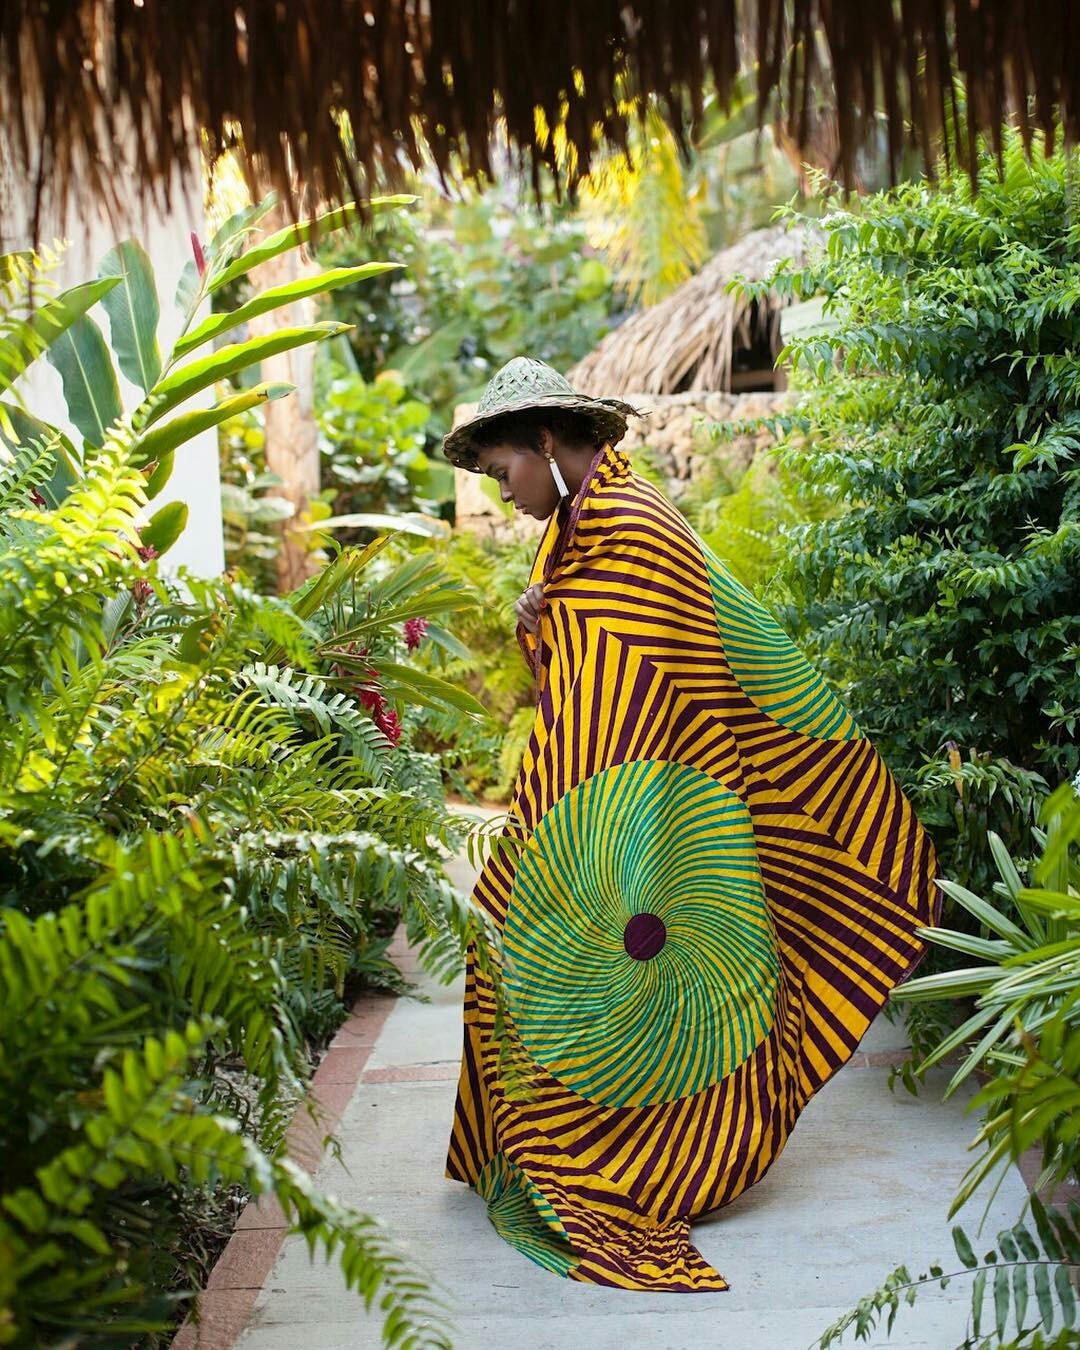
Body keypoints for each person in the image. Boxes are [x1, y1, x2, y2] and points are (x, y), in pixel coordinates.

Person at [441, 356, 939, 1291]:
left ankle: (650, 1158)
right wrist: (538, 623)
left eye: (503, 470)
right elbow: (580, 674)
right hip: (599, 795)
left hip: (663, 801)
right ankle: (545, 1141)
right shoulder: (576, 533)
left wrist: (593, 799)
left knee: (591, 951)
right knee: (519, 938)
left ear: (548, 443)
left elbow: (678, 676)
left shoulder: (635, 526)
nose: (501, 495)